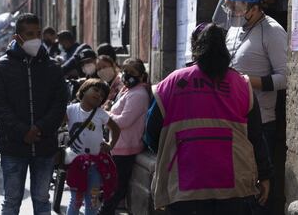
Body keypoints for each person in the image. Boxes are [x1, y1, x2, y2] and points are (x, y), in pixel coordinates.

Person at [147, 23, 273, 215]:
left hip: (184, 186)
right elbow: (256, 135)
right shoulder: (242, 84)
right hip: (234, 187)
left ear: (194, 47)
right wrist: (264, 175)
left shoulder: (173, 82)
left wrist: (171, 151)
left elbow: (150, 132)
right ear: (224, 47)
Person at [0, 13, 68, 215]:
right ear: (17, 37)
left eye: (37, 33)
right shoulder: (0, 67)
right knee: (12, 201)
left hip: (45, 145)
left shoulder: (53, 67)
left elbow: (59, 103)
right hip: (13, 146)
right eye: (29, 34)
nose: (35, 38)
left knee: (42, 200)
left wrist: (40, 128)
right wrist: (24, 131)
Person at [213, 0, 287, 182]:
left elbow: (285, 78)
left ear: (254, 7)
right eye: (230, 6)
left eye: (237, 7)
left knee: (256, 183)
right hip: (230, 118)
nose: (231, 12)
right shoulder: (235, 27)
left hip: (261, 123)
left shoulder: (273, 31)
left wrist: (247, 81)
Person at [98, 58, 151, 214]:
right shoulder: (127, 90)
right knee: (112, 187)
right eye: (125, 71)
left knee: (116, 189)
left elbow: (124, 121)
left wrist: (104, 115)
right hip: (117, 145)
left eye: (132, 73)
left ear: (141, 76)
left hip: (126, 147)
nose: (127, 75)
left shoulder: (139, 94)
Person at [65, 78, 121, 215]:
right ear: (84, 90)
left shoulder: (101, 114)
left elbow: (116, 129)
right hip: (76, 164)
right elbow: (55, 126)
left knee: (93, 201)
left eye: (102, 95)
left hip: (96, 166)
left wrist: (110, 145)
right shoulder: (70, 110)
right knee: (76, 200)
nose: (98, 95)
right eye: (95, 90)